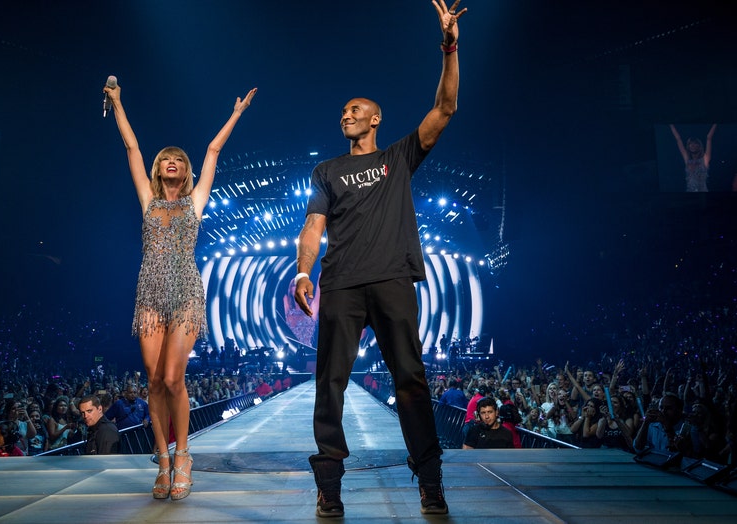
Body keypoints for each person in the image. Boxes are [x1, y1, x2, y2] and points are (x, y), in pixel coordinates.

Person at [293, 1, 467, 516]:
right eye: (343, 111)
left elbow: (446, 109)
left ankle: (430, 481)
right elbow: (313, 227)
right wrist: (304, 270)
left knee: (409, 379)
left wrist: (449, 46)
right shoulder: (326, 170)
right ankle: (329, 485)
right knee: (330, 385)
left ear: (375, 118)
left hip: (392, 279)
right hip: (342, 283)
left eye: (355, 109)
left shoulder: (398, 157)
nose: (346, 114)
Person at [105, 78, 256, 501]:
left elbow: (212, 151)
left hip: (186, 290)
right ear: (158, 168)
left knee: (173, 378)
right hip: (149, 292)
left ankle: (185, 454)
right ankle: (164, 459)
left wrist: (236, 114)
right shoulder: (147, 201)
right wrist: (118, 102)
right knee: (153, 380)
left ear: (185, 170)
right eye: (166, 158)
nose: (172, 161)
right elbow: (132, 149)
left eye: (178, 159)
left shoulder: (195, 202)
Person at [668, 124, 716, 192]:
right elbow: (678, 139)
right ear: (688, 146)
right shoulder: (687, 159)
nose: (692, 145)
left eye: (695, 143)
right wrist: (671, 124)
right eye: (690, 143)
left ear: (699, 146)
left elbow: (709, 138)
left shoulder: (705, 159)